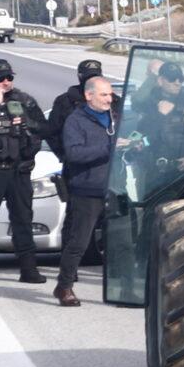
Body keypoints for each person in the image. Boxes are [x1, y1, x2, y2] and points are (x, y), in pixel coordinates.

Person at [0, 60, 49, 284]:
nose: (6, 82)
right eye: (1, 78)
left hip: (19, 169)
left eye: (10, 77)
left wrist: (26, 126)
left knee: (23, 219)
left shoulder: (24, 101)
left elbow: (43, 128)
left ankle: (29, 269)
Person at [54, 76, 118, 307]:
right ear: (89, 95)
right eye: (104, 94)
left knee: (120, 240)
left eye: (110, 94)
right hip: (87, 189)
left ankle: (121, 287)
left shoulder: (115, 117)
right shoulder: (75, 121)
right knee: (79, 241)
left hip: (115, 188)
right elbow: (74, 154)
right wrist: (109, 147)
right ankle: (64, 286)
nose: (109, 99)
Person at [46, 57, 112, 149]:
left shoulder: (112, 100)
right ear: (80, 77)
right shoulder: (65, 101)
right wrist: (66, 156)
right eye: (88, 78)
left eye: (95, 78)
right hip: (77, 158)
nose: (90, 81)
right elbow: (52, 132)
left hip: (109, 159)